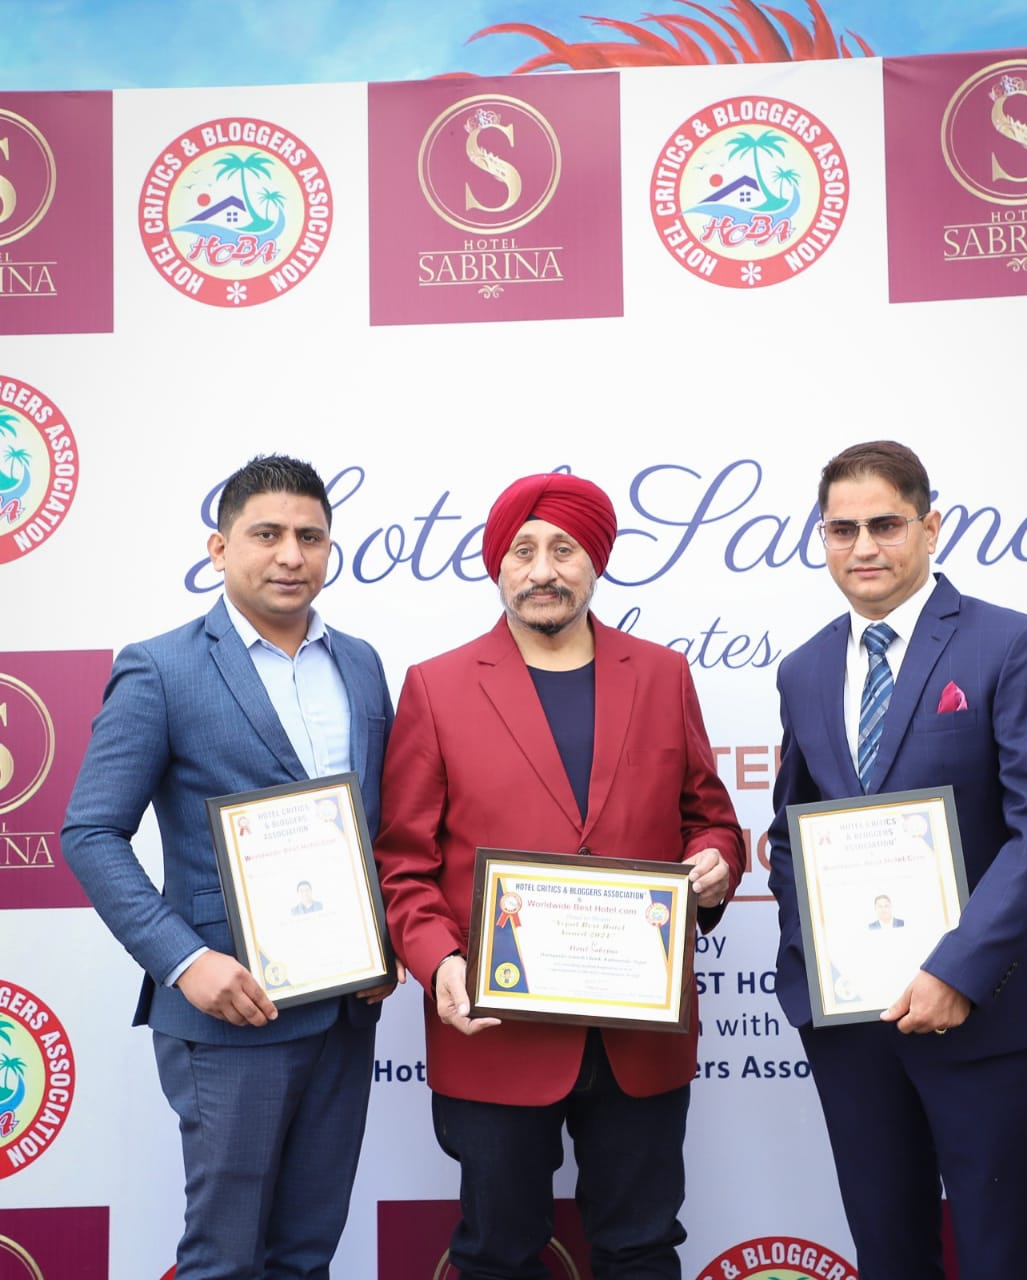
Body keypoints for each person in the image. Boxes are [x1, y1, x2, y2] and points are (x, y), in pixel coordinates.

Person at [375, 471, 745, 1280]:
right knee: (496, 1254)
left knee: (641, 1248)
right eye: (522, 551)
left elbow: (709, 817)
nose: (542, 570)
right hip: (495, 1031)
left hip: (639, 1034)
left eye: (563, 550)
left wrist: (717, 860)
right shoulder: (436, 686)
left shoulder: (662, 674)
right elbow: (403, 860)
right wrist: (439, 961)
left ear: (595, 561)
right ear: (497, 565)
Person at [62, 454, 398, 1279]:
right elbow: (91, 832)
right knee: (225, 1257)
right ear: (219, 549)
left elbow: (378, 826)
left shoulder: (361, 663)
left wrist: (383, 938)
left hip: (346, 1009)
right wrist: (185, 961)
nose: (291, 555)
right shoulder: (161, 667)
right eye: (267, 534)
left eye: (311, 537)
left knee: (306, 1254)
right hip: (231, 1010)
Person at [767, 440, 1027, 1280]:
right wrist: (823, 962)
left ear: (930, 527)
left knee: (994, 1253)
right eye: (841, 530)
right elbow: (791, 832)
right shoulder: (803, 670)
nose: (862, 548)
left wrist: (954, 970)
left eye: (885, 524)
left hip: (981, 1007)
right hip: (853, 1024)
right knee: (887, 1252)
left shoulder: (1013, 645)